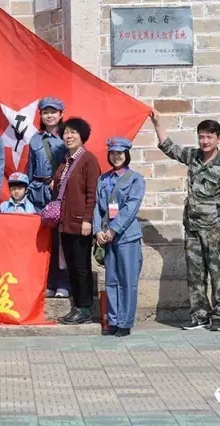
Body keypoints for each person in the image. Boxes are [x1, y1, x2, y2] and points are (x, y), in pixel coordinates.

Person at [150, 109, 220, 332]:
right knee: (195, 273)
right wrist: (157, 123)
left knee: (217, 273)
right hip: (193, 227)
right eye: (201, 136)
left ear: (218, 138)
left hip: (215, 229)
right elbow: (169, 148)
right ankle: (199, 315)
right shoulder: (193, 157)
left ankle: (218, 315)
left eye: (209, 137)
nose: (204, 141)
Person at [94, 137, 145, 337]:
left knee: (128, 280)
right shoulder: (103, 179)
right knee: (111, 280)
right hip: (107, 237)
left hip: (127, 236)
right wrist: (98, 230)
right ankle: (113, 320)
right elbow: (97, 207)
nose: (116, 157)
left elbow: (131, 207)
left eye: (120, 153)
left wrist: (114, 229)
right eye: (113, 153)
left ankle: (125, 321)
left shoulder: (135, 179)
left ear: (127, 155)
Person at [52, 117, 101, 325]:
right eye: (66, 133)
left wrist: (88, 220)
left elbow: (92, 193)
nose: (69, 136)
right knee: (71, 265)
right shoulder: (65, 160)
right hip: (65, 222)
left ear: (82, 137)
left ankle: (85, 308)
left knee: (81, 266)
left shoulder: (88, 160)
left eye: (74, 133)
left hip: (81, 222)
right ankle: (77, 307)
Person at [27, 96, 69, 298]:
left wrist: (59, 182)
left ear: (61, 114)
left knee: (60, 240)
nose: (49, 115)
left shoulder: (67, 137)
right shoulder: (35, 139)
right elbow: (30, 168)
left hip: (58, 194)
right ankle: (47, 282)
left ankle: (63, 282)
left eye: (53, 112)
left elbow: (72, 166)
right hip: (38, 193)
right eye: (45, 112)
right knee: (44, 241)